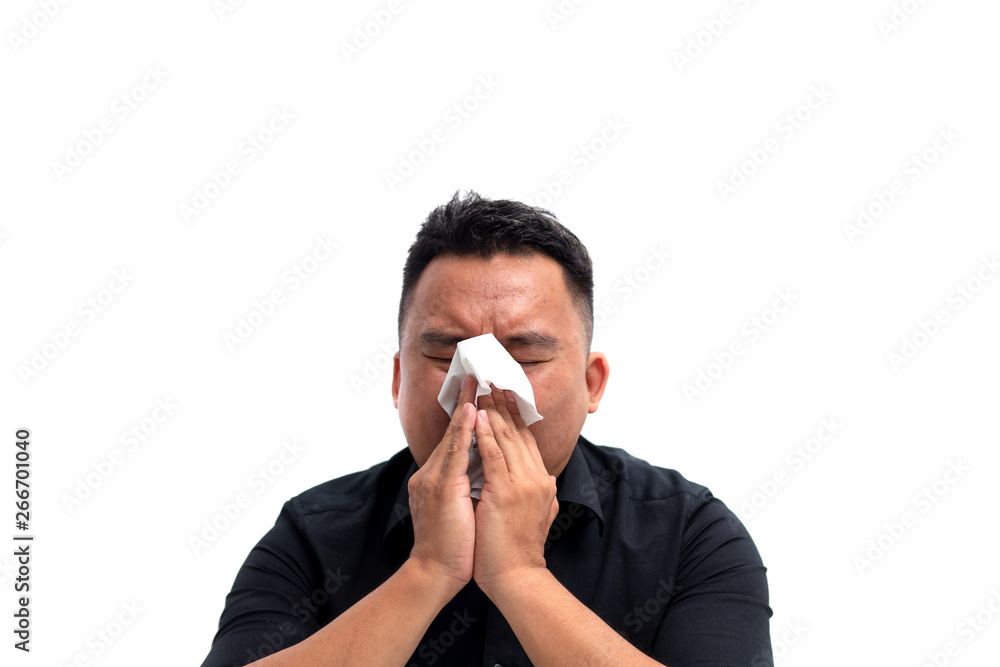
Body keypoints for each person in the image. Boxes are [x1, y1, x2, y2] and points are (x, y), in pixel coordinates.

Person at [201, 191, 773, 666]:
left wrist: (520, 575)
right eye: (444, 354)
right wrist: (428, 571)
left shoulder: (690, 533)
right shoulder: (314, 534)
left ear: (591, 383)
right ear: (398, 381)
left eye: (525, 357)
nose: (477, 389)